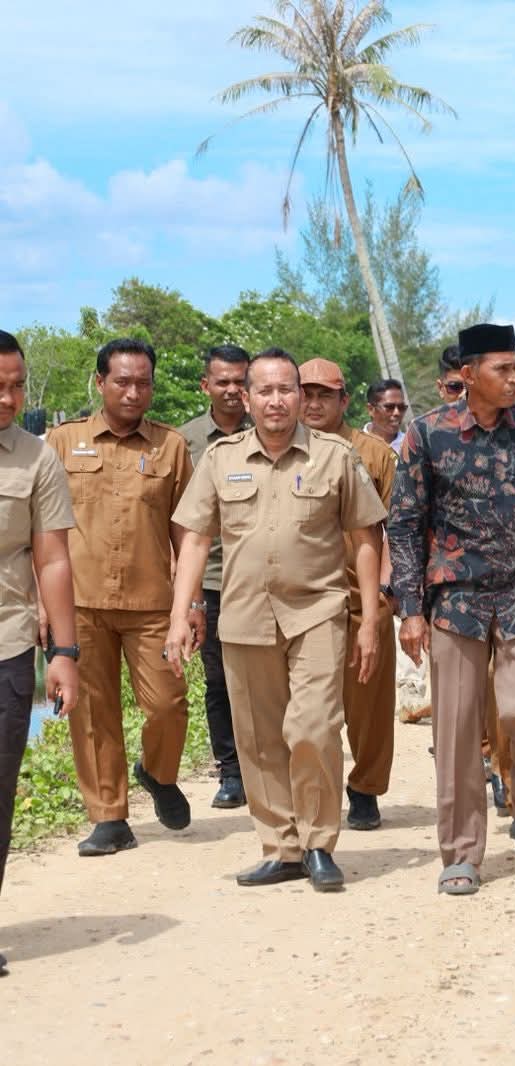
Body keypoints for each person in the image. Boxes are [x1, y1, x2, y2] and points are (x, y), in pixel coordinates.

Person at [166, 349, 387, 891]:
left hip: (317, 611)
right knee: (260, 739)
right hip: (243, 615)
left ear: (299, 396)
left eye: (286, 390)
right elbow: (194, 539)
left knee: (312, 728)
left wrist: (371, 620)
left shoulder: (333, 456)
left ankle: (318, 844)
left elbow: (365, 539)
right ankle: (281, 847)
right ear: (247, 397)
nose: (276, 400)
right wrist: (180, 613)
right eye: (264, 391)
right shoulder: (221, 458)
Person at [389, 324, 515, 896]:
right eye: (503, 369)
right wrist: (411, 609)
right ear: (468, 376)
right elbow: (404, 524)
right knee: (457, 731)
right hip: (455, 599)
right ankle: (463, 851)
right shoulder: (427, 436)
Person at [44, 338, 199, 858]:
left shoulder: (171, 447)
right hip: (81, 604)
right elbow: (41, 532)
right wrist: (44, 605)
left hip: (154, 603)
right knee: (91, 713)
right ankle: (109, 817)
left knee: (169, 706)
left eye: (143, 383)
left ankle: (157, 773)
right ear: (100, 382)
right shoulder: (62, 444)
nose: (134, 392)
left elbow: (189, 533)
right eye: (123, 381)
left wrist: (191, 601)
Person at [0, 330, 80, 977]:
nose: (9, 397)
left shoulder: (36, 459)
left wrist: (64, 650)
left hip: (6, 644)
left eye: (17, 384)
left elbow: (52, 558)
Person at [298, 359, 398, 831]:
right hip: (302, 598)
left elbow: (398, 528)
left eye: (325, 396)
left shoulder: (375, 454)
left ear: (344, 401)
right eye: (307, 394)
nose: (314, 404)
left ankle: (365, 788)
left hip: (364, 597)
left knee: (369, 704)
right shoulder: (284, 448)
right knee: (308, 705)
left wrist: (386, 595)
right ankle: (314, 790)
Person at [179, 344, 251, 808]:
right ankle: (231, 772)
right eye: (221, 381)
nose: (231, 390)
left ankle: (271, 766)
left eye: (239, 381)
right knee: (220, 679)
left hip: (262, 575)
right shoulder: (183, 442)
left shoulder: (269, 430)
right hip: (212, 580)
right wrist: (186, 600)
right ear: (205, 385)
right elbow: (178, 523)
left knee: (268, 678)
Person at [364, 379, 408, 453]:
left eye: (401, 407)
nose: (397, 413)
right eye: (389, 407)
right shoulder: (354, 447)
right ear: (371, 409)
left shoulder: (413, 447)